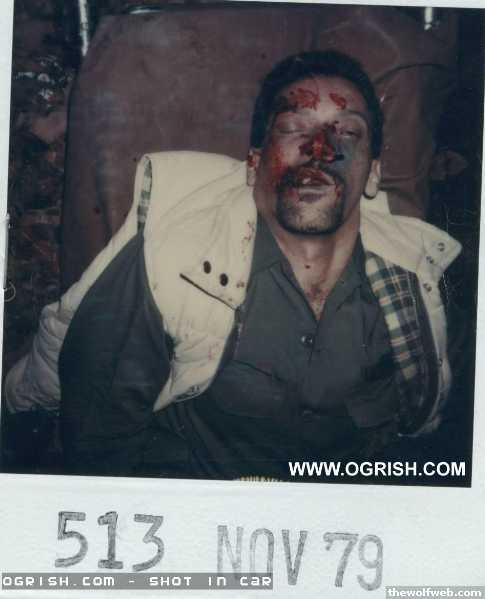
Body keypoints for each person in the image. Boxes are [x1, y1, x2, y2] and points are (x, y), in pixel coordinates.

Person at [4, 51, 464, 480]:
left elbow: (432, 438)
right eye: (293, 128)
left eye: (346, 132)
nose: (319, 150)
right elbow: (101, 439)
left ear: (374, 175)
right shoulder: (172, 263)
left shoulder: (419, 286)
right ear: (253, 165)